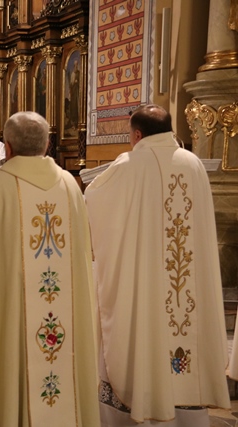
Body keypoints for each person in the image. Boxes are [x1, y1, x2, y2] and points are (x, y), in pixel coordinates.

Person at [0, 111, 100, 426]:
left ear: (7, 147)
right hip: (64, 317)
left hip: (8, 310)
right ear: (46, 145)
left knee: (7, 347)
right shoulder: (70, 186)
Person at [84, 104, 230, 426]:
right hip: (188, 287)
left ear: (137, 134)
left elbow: (93, 200)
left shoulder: (129, 164)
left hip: (148, 281)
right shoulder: (193, 163)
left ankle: (143, 404)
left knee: (144, 325)